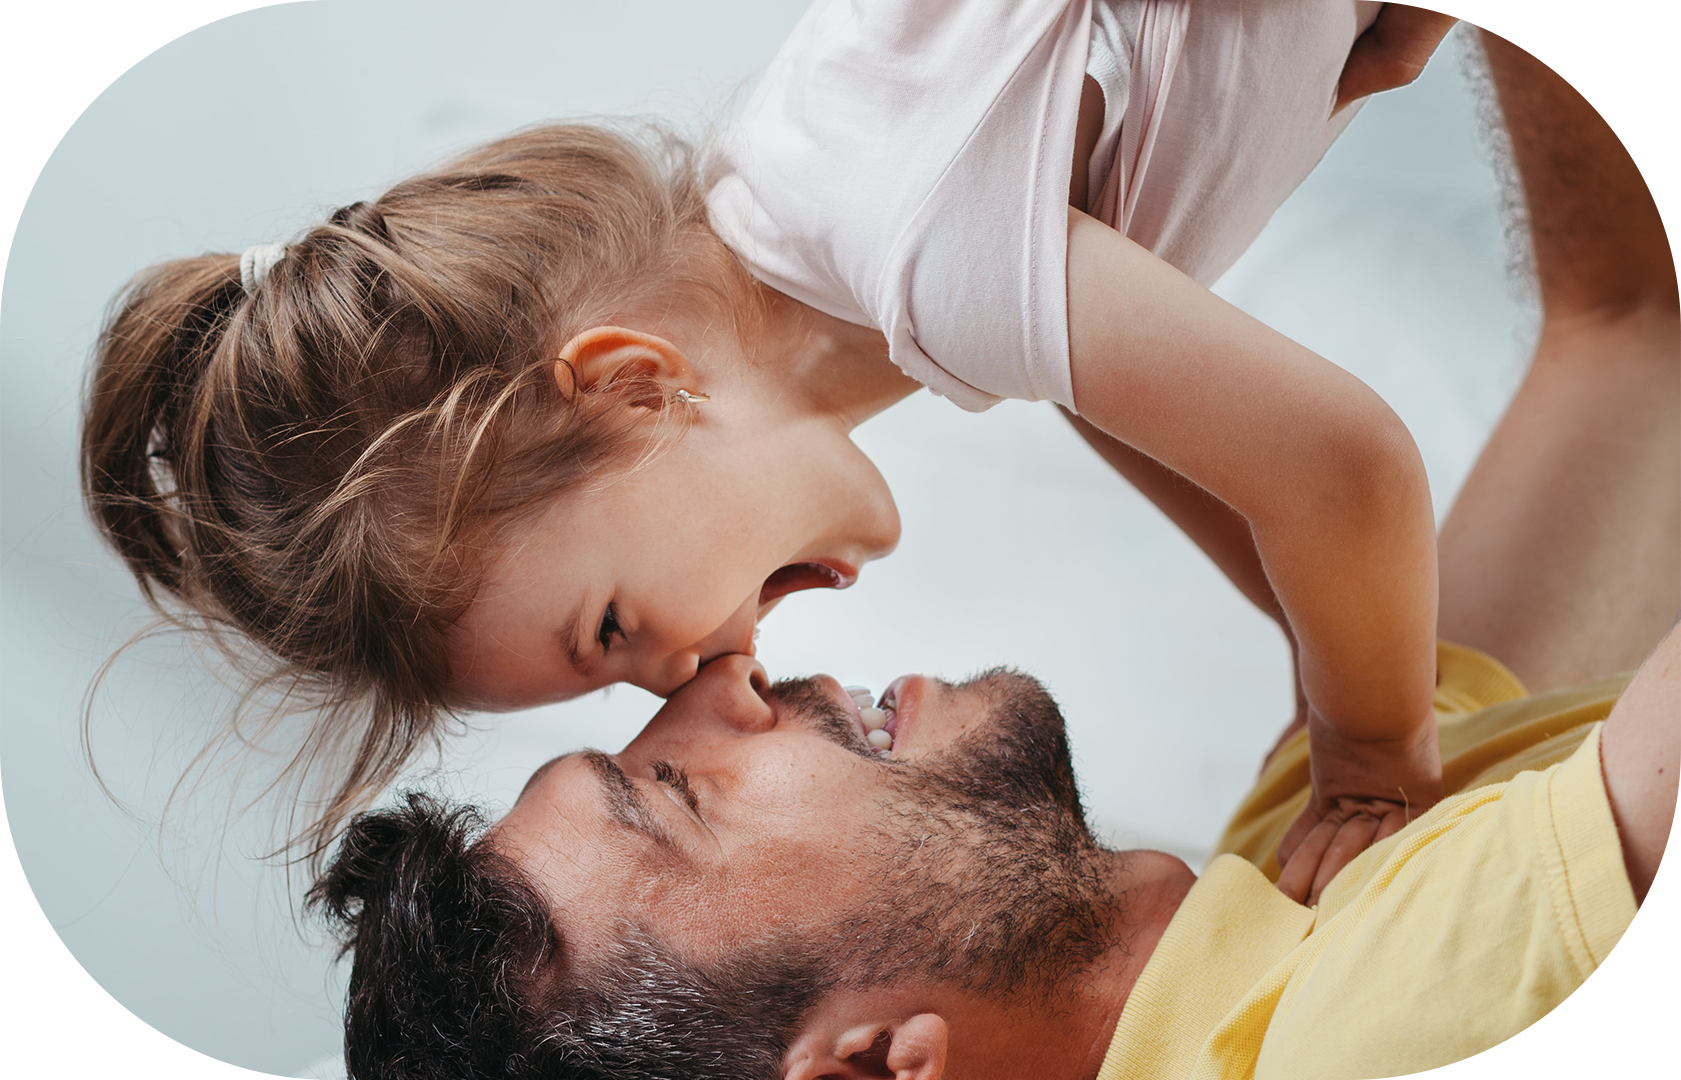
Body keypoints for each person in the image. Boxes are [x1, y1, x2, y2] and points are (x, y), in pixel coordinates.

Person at [307, 0, 1681, 1074]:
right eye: (673, 793)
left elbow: (1643, 329)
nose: (717, 679)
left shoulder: (1310, 841)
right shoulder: (1386, 1022)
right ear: (873, 1063)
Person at [80, 0, 1469, 883]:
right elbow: (1231, 464)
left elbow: (1341, 472)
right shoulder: (860, 237)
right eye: (623, 685)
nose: (692, 673)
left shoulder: (915, 248)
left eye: (612, 628)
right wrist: (1325, 658)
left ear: (633, 387)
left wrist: (1368, 754)